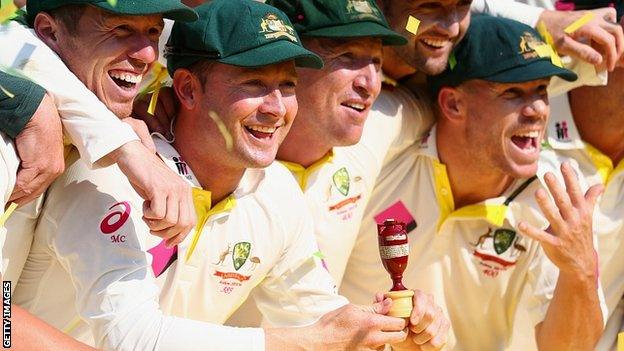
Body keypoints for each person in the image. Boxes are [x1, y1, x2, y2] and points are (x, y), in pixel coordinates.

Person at [14, 1, 444, 350]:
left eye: (288, 85)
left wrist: (387, 333)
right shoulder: (105, 175)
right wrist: (308, 341)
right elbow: (133, 339)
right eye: (254, 83)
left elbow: (320, 319)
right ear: (186, 90)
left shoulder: (275, 190)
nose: (276, 108)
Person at [340, 15, 605, 350]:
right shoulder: (385, 155)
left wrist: (580, 270)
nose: (538, 109)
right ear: (453, 103)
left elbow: (570, 349)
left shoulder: (557, 202)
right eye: (513, 92)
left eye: (541, 90)